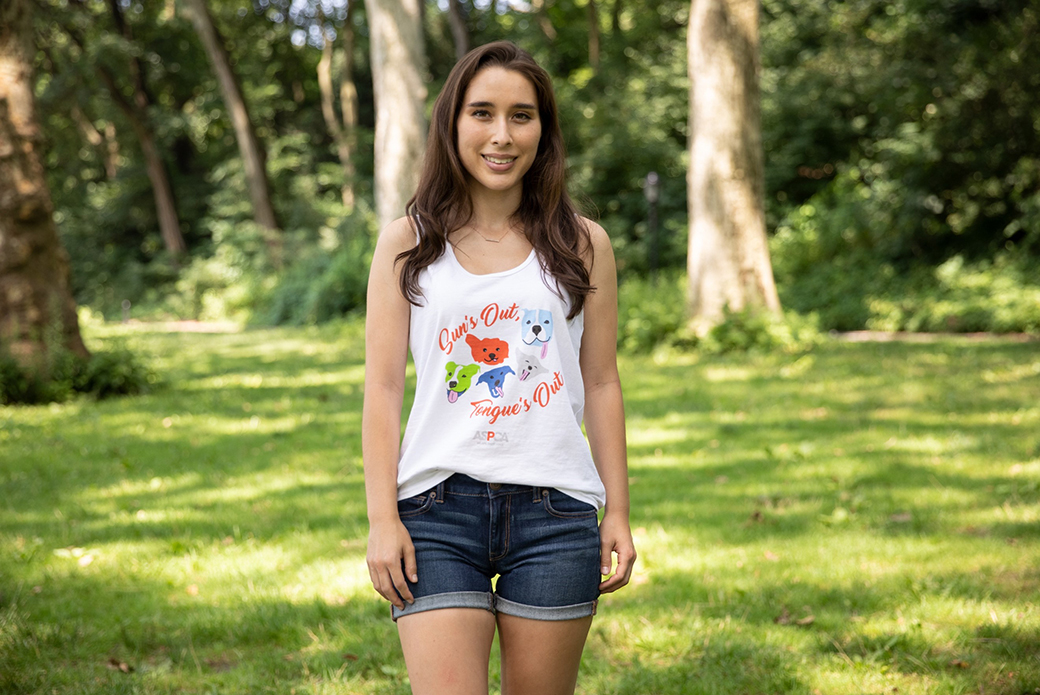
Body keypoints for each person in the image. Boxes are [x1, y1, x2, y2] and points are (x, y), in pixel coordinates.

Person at [362, 41, 636, 695]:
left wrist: (618, 510)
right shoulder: (409, 241)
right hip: (434, 511)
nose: (502, 134)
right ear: (452, 122)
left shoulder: (582, 241)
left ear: (544, 131)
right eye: (482, 112)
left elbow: (601, 382)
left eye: (522, 115)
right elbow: (381, 387)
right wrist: (381, 519)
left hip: (555, 512)